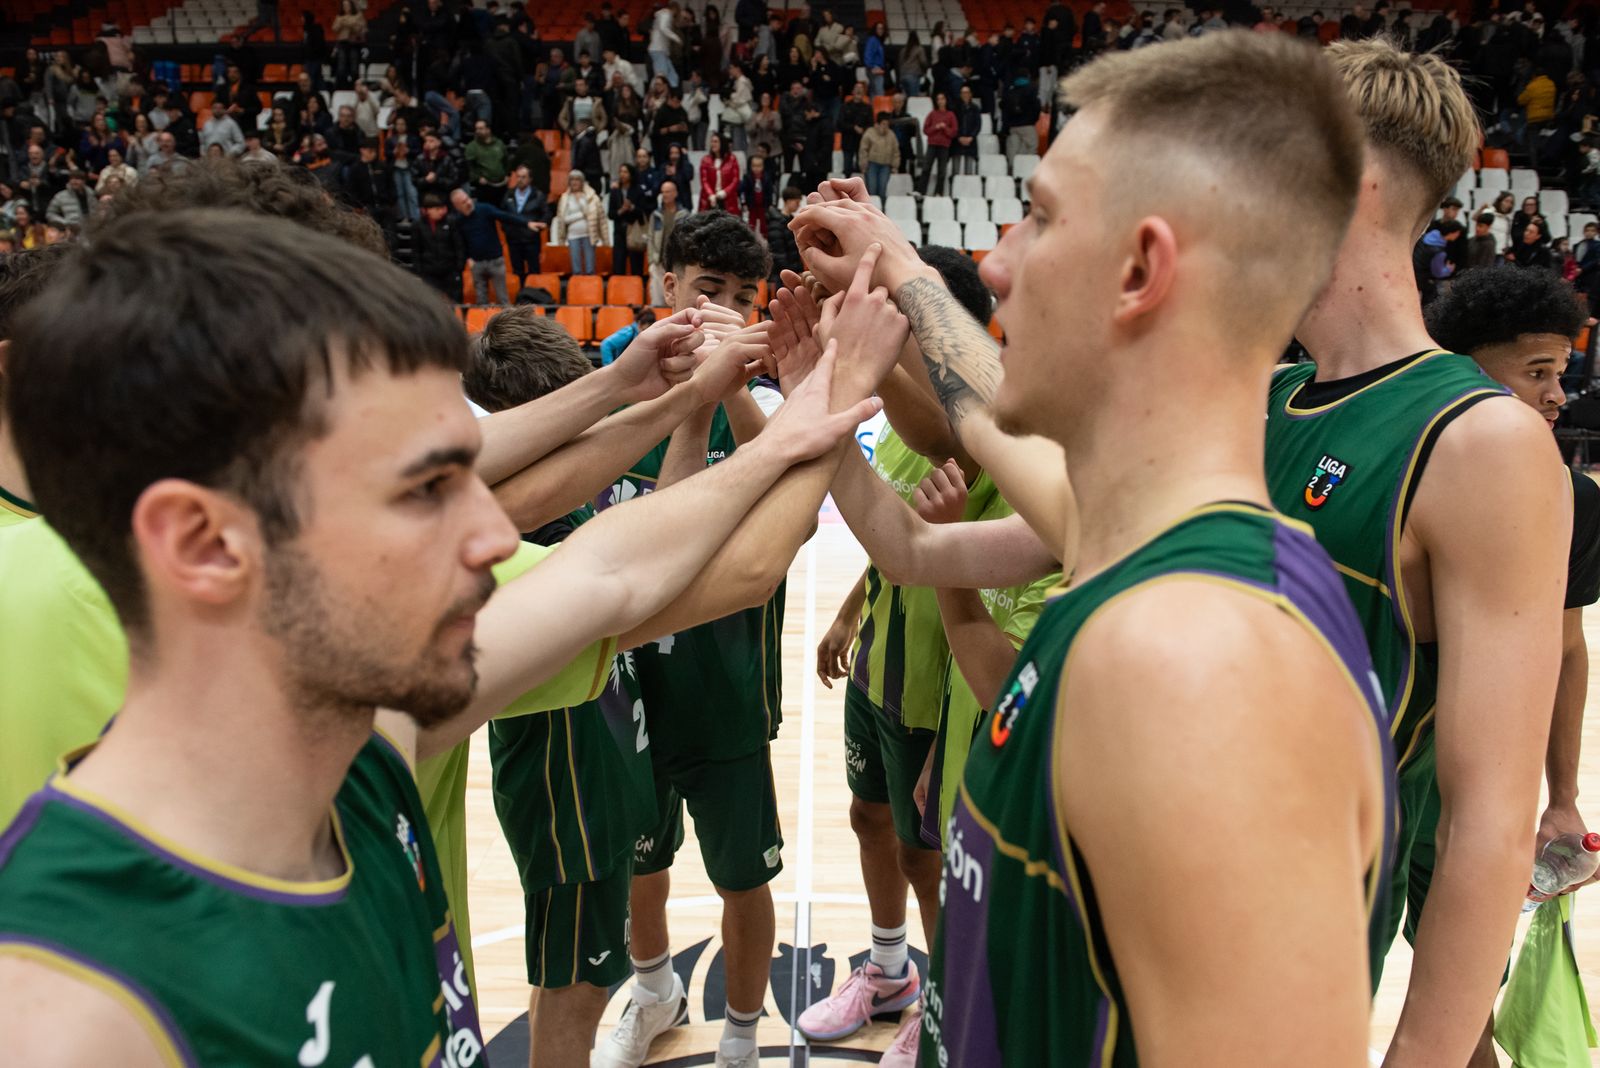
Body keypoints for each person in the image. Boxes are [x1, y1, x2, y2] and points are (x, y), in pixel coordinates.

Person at [0, 204, 891, 1065]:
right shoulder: (73, 1013)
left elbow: (608, 569)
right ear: (206, 543)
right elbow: (673, 573)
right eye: (420, 490)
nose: (497, 531)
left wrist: (804, 416)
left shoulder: (371, 735)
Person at [790, 30, 1393, 1065]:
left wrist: (903, 277)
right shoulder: (1142, 538)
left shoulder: (1193, 663)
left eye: (1039, 217)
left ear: (1139, 269)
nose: (994, 258)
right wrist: (890, 273)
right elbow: (974, 437)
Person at [1264, 38, 1568, 1068]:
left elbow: (1490, 817)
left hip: (1278, 967)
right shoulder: (1257, 394)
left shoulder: (1481, 442)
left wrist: (1424, 1057)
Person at [594, 211, 859, 1068]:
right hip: (627, 685)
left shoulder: (760, 398)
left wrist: (728, 383)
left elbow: (790, 475)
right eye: (707, 290)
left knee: (744, 877)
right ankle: (653, 989)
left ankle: (743, 1039)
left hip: (726, 687)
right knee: (642, 862)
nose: (722, 309)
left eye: (742, 298)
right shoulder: (612, 384)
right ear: (665, 283)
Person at [1425, 269, 1599, 883]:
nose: (1558, 394)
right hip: (1370, 755)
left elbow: (1567, 650)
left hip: (1481, 780)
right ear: (1466, 371)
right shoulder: (1406, 466)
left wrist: (1561, 798)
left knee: (1475, 965)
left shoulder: (1573, 498)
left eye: (1559, 373)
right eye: (1536, 373)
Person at [451, 187, 539, 306]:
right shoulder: (459, 221)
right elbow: (460, 242)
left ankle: (510, 323)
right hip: (477, 264)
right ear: (457, 207)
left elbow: (505, 216)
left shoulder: (484, 209)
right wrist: (468, 258)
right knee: (481, 302)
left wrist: (526, 223)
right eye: (463, 202)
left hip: (495, 261)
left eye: (467, 199)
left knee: (503, 299)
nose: (468, 202)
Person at [552, 171, 608, 276]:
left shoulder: (592, 197)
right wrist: (582, 214)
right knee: (576, 268)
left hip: (589, 235)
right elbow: (564, 219)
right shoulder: (565, 198)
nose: (574, 182)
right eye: (572, 180)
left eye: (577, 179)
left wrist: (605, 238)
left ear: (582, 182)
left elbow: (601, 218)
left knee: (590, 268)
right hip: (573, 236)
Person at [415, 192, 466, 300]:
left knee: (455, 300)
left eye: (441, 208)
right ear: (428, 210)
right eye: (437, 209)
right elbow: (416, 250)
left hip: (450, 270)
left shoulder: (451, 222)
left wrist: (459, 267)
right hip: (430, 272)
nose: (441, 212)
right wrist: (420, 272)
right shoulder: (418, 225)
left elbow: (459, 245)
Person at [503, 165, 548, 282]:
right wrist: (507, 229)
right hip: (513, 239)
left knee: (534, 271)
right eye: (518, 177)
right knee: (517, 271)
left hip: (531, 239)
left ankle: (533, 296)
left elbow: (547, 214)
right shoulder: (509, 194)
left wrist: (541, 225)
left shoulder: (538, 195)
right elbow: (503, 214)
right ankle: (519, 297)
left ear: (530, 179)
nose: (520, 179)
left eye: (523, 177)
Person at [646, 179, 685, 303]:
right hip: (658, 262)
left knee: (675, 298)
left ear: (675, 193)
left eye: (668, 192)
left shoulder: (683, 215)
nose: (665, 195)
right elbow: (650, 237)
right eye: (663, 192)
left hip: (676, 262)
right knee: (657, 299)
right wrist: (652, 259)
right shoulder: (656, 215)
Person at [610, 162, 652, 276]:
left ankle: (636, 289)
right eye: (621, 172)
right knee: (618, 265)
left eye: (625, 172)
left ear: (631, 174)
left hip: (634, 230)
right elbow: (610, 214)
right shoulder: (615, 191)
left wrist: (632, 208)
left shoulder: (638, 190)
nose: (622, 174)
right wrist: (621, 210)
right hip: (619, 232)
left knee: (636, 266)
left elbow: (643, 211)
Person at [465, 118, 511, 203]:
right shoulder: (472, 147)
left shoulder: (499, 143)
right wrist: (477, 178)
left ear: (488, 130)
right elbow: (469, 166)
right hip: (484, 186)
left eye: (481, 128)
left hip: (501, 184)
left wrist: (507, 174)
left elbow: (506, 160)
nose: (478, 131)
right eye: (477, 129)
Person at [859, 111, 900, 200]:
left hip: (885, 166)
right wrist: (863, 165)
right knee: (872, 191)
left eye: (887, 124)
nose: (885, 126)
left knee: (882, 191)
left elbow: (896, 151)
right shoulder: (869, 132)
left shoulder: (891, 135)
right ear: (878, 123)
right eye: (883, 124)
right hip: (872, 165)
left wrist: (895, 166)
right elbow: (863, 150)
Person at [922, 92, 956, 197]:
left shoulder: (950, 115)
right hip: (932, 144)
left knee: (942, 171)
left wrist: (944, 127)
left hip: (944, 146)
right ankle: (921, 191)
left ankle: (939, 192)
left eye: (942, 99)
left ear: (946, 101)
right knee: (926, 168)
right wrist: (936, 127)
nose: (940, 101)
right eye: (938, 99)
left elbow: (953, 132)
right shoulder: (932, 114)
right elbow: (925, 130)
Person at [697, 129, 740, 213]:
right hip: (710, 199)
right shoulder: (705, 160)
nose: (713, 144)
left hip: (727, 199)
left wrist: (725, 192)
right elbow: (704, 180)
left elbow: (735, 180)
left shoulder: (732, 159)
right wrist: (710, 194)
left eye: (716, 142)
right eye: (712, 142)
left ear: (722, 143)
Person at [332, 0, 367, 88]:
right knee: (341, 68)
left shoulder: (358, 16)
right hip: (342, 44)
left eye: (347, 5)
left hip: (353, 44)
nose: (346, 7)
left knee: (354, 68)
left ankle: (355, 86)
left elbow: (360, 29)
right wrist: (346, 23)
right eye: (344, 5)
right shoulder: (339, 17)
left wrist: (347, 23)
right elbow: (334, 28)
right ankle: (341, 86)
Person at [741, 153, 776, 238]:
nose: (756, 168)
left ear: (763, 166)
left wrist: (771, 203)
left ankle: (765, 238)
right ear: (750, 166)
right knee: (751, 222)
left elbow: (771, 191)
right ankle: (750, 238)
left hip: (763, 205)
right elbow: (742, 191)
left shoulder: (767, 177)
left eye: (759, 166)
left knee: (764, 223)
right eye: (754, 166)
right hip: (752, 204)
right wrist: (743, 203)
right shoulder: (747, 177)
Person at [651, 2, 684, 87]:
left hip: (661, 50)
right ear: (675, 9)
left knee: (673, 76)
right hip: (659, 50)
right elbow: (663, 28)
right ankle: (654, 95)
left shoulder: (661, 15)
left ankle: (672, 94)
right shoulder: (666, 14)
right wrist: (676, 38)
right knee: (661, 77)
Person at [952, 83, 980, 175]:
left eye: (967, 92)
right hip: (957, 140)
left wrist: (971, 137)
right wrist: (959, 136)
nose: (965, 95)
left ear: (970, 94)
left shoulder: (975, 108)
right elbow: (953, 124)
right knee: (955, 170)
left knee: (969, 171)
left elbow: (977, 125)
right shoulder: (955, 108)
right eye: (963, 93)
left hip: (970, 141)